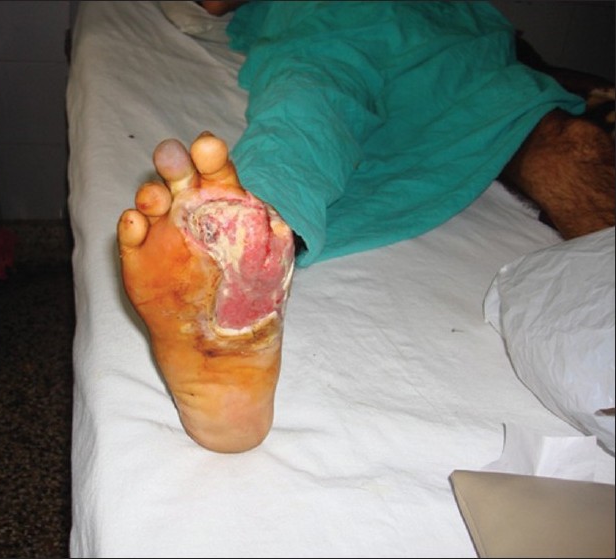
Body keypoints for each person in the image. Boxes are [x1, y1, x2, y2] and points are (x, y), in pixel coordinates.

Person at [118, 1, 615, 453]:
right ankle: (242, 248)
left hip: (453, 45)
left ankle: (238, 265)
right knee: (307, 110)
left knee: (576, 147)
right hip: (330, 23)